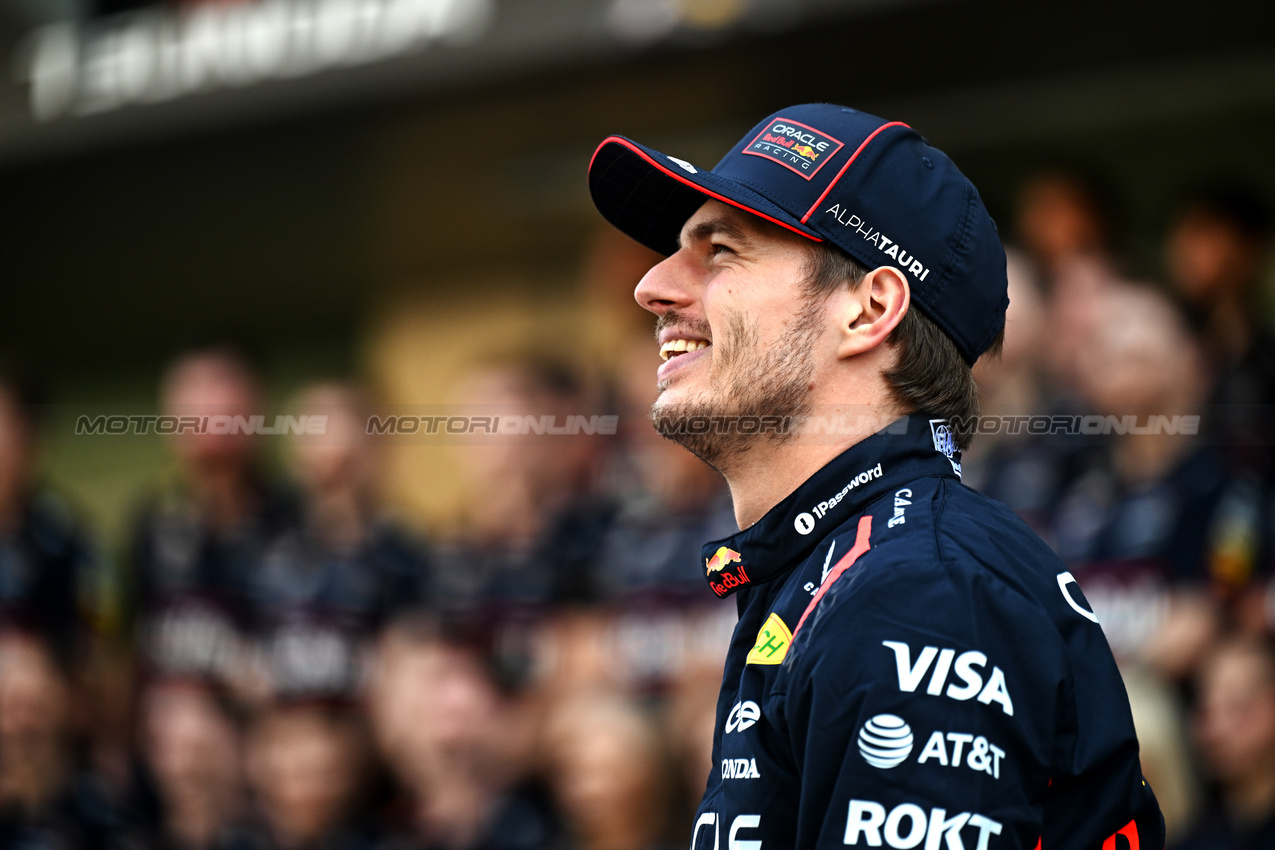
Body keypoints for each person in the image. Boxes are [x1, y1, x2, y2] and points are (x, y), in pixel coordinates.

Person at [586, 104, 1164, 849]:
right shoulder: (847, 567)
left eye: (720, 251)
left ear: (869, 310)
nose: (652, 286)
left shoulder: (915, 588)